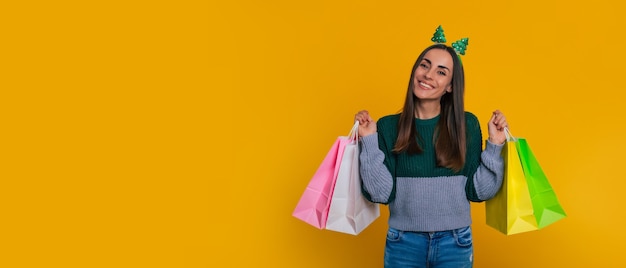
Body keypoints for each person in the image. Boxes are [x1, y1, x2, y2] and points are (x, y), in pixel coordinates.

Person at [354, 42, 509, 268]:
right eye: (424, 65)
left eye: (441, 71)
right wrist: (368, 140)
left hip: (455, 242)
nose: (428, 75)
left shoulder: (466, 125)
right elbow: (380, 193)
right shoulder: (388, 127)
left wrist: (495, 143)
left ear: (450, 87)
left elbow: (479, 192)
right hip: (403, 242)